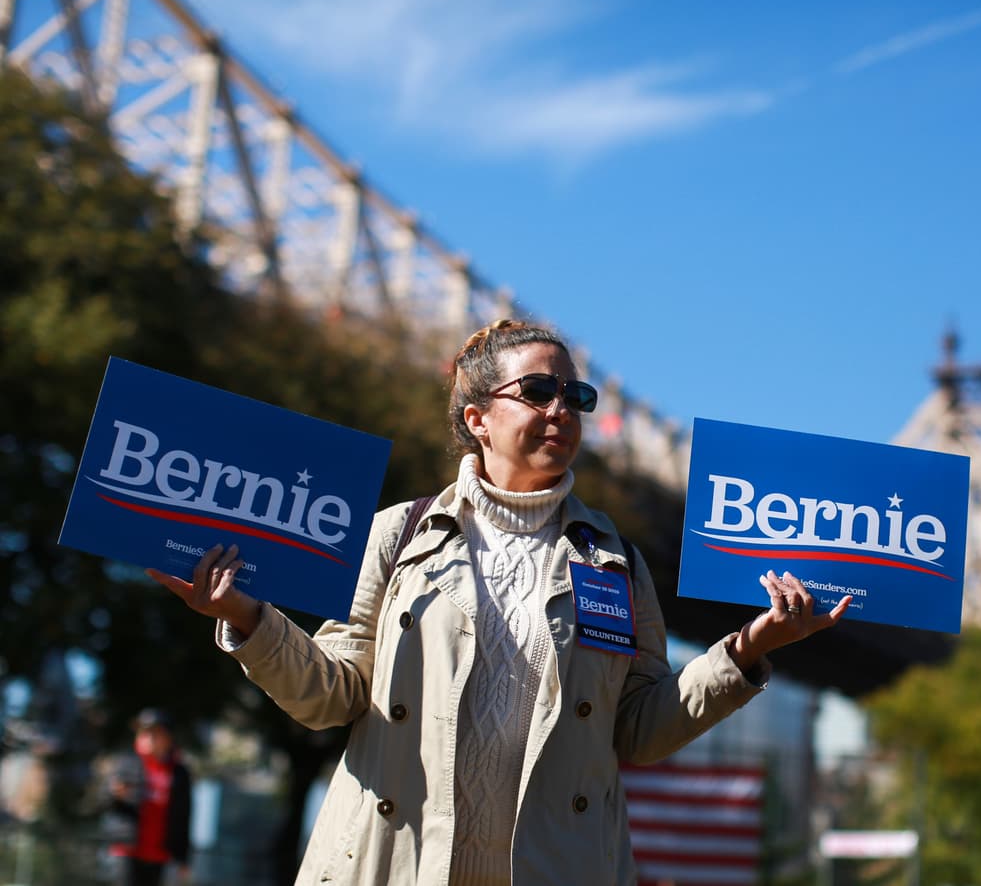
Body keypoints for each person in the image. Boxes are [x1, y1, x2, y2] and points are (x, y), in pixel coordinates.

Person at [147, 319, 850, 885]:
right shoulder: (398, 536)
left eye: (576, 397)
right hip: (394, 865)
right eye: (538, 391)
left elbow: (639, 730)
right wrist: (243, 616)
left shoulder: (617, 561)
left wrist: (747, 650)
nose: (561, 410)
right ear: (478, 418)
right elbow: (330, 696)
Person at [106, 709, 192, 886]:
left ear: (168, 737)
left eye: (154, 732)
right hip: (127, 852)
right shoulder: (126, 763)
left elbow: (183, 817)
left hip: (160, 856)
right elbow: (103, 800)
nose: (148, 737)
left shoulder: (179, 773)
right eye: (144, 732)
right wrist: (114, 794)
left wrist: (183, 859)